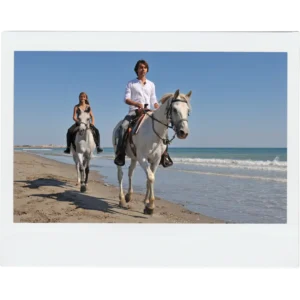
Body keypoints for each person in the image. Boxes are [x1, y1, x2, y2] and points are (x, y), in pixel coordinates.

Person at [114, 59, 173, 167]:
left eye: (145, 67)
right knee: (123, 127)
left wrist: (157, 107)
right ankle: (120, 153)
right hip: (134, 112)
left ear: (147, 70)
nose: (143, 69)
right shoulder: (131, 83)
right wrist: (137, 104)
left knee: (163, 127)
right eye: (141, 67)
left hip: (148, 112)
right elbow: (126, 99)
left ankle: (164, 154)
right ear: (136, 69)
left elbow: (153, 99)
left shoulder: (151, 84)